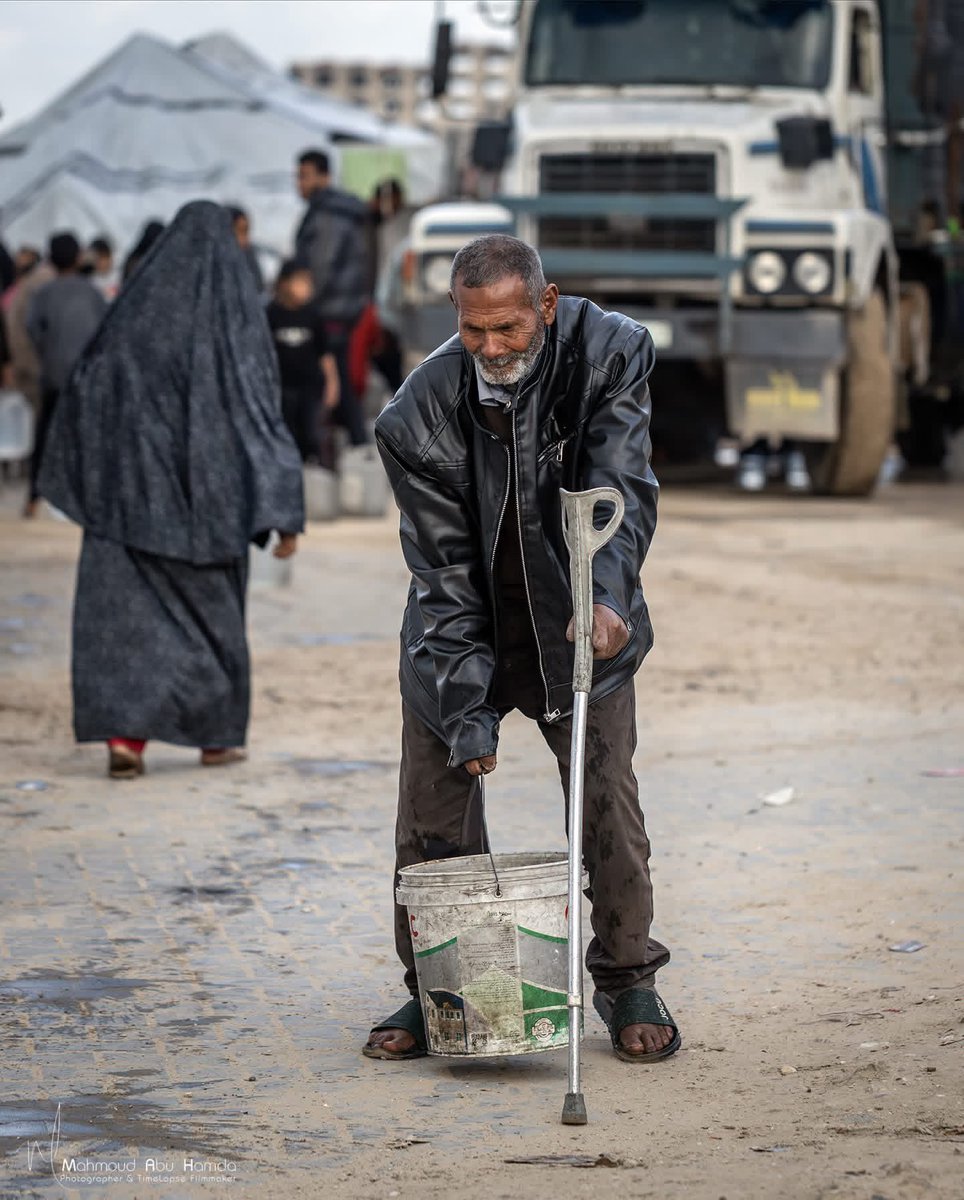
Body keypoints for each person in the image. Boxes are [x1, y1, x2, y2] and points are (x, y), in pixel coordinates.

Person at [365, 234, 679, 1064]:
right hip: (461, 632)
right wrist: (467, 712)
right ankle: (433, 990)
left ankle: (626, 977)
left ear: (545, 303)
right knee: (431, 818)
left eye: (508, 328)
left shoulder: (610, 353)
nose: (492, 349)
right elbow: (442, 571)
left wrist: (606, 599)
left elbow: (622, 486)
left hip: (580, 621)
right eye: (474, 332)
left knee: (606, 798)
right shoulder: (415, 416)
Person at [37, 201, 305, 780]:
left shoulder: (131, 317)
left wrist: (99, 479)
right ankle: (212, 739)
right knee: (212, 631)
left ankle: (126, 742)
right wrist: (283, 511)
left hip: (125, 507)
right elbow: (261, 414)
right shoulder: (235, 324)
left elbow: (83, 393)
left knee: (125, 630)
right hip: (212, 511)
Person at [25, 232, 107, 517]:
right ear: (77, 257)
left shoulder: (44, 294)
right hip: (85, 380)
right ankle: (89, 501)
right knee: (86, 440)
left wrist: (49, 353)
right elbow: (104, 332)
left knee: (45, 438)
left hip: (54, 376)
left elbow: (33, 329)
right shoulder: (93, 293)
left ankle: (33, 499)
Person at [294, 148, 369, 445]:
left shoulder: (328, 215)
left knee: (334, 383)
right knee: (336, 382)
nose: (299, 183)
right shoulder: (331, 211)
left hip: (331, 312)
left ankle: (357, 444)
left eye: (304, 176)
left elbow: (321, 266)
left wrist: (302, 303)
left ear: (323, 177)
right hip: (338, 309)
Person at [266, 259, 340, 463]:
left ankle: (313, 466)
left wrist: (333, 384)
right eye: (301, 282)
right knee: (286, 432)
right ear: (285, 284)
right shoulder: (271, 314)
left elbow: (325, 354)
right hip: (282, 388)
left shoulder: (313, 315)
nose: (307, 288)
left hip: (309, 387)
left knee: (311, 431)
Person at [226, 205, 265, 295]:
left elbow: (259, 287)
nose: (246, 239)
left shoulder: (248, 255)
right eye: (240, 231)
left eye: (246, 231)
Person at [83, 236, 119, 302]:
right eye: (100, 259)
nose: (104, 262)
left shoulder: (119, 275)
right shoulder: (89, 280)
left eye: (106, 257)